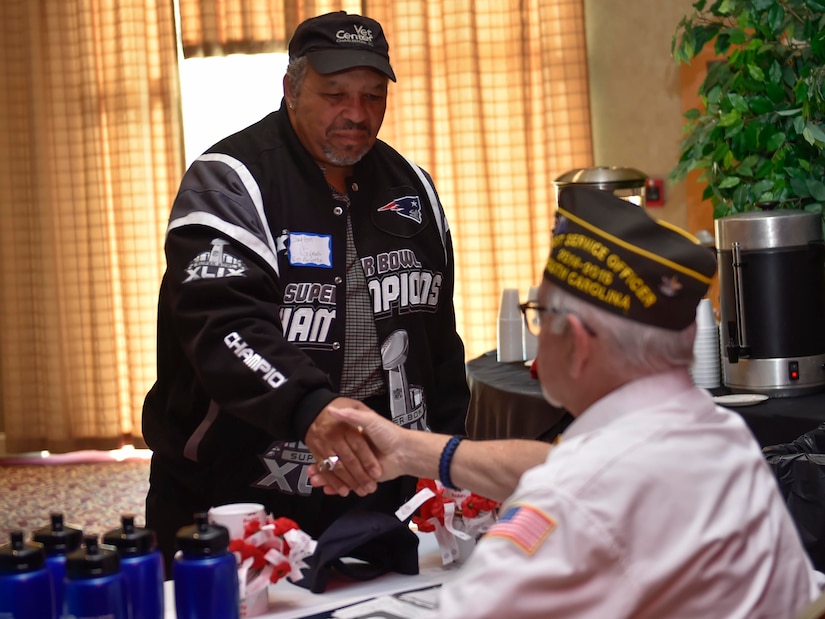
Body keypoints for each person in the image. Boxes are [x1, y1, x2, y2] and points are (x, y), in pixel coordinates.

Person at [310, 186, 825, 618]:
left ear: (576, 342)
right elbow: (589, 470)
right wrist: (405, 450)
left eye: (537, 312)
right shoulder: (727, 438)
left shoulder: (573, 502)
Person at [141, 10, 469, 573]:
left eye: (372, 96)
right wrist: (313, 410)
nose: (357, 114)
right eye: (335, 93)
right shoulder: (228, 181)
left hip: (378, 486)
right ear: (291, 89)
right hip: (236, 491)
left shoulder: (413, 187)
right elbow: (226, 331)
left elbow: (436, 343)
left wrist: (450, 457)